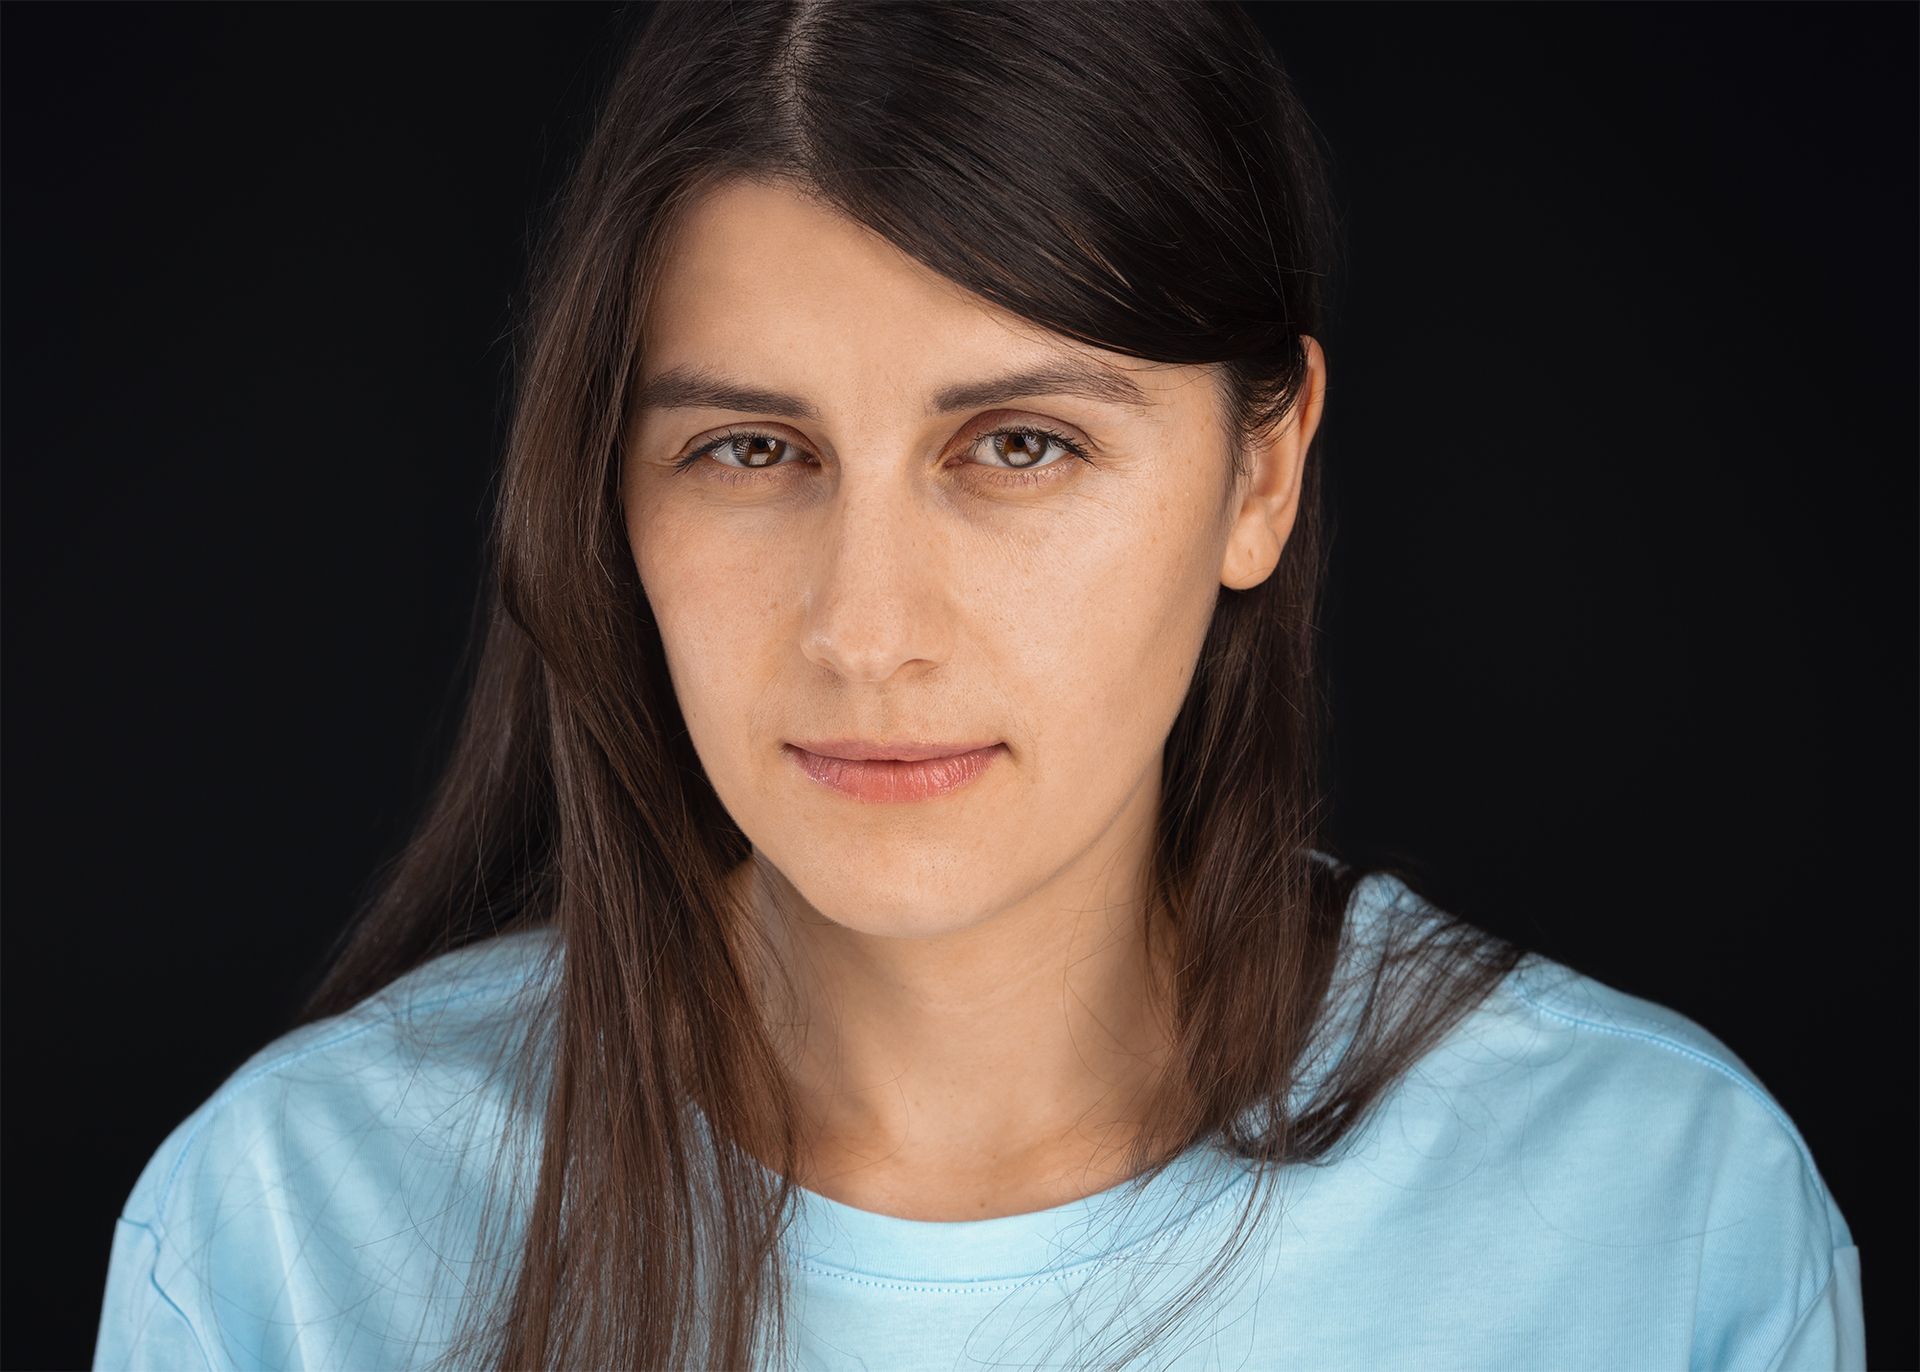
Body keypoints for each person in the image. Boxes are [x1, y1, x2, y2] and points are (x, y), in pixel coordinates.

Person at [91, 3, 1864, 1369]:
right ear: (609, 494)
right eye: (752, 450)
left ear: (1261, 473)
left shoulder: (1659, 1215)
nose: (868, 633)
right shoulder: (291, 1239)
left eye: (1020, 444)